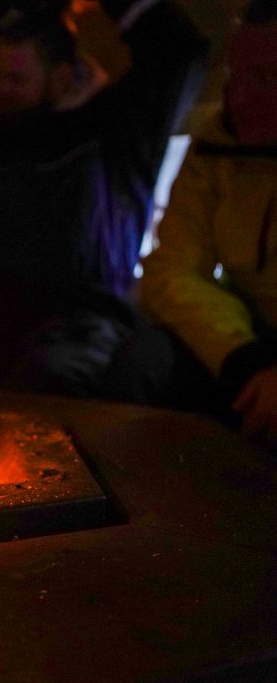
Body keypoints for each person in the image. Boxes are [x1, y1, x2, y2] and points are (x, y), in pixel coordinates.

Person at [0, 0, 207, 396]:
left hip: (87, 325)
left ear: (60, 78)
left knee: (49, 376)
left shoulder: (115, 136)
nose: (0, 90)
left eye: (16, 79)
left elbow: (178, 54)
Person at [116, 0, 277, 449]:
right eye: (234, 76)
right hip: (251, 340)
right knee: (145, 360)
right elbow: (172, 270)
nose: (240, 98)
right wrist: (246, 360)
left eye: (266, 79)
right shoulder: (216, 144)